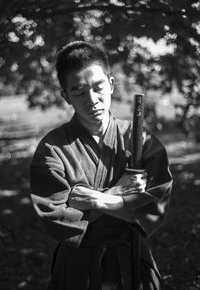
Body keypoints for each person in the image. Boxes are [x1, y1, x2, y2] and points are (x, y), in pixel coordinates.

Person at [30, 41, 173, 290]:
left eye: (98, 87)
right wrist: (118, 194)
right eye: (79, 92)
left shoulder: (140, 139)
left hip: (133, 263)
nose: (92, 100)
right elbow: (56, 220)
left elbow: (154, 208)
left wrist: (94, 200)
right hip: (78, 270)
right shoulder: (52, 149)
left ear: (112, 83)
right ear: (65, 96)